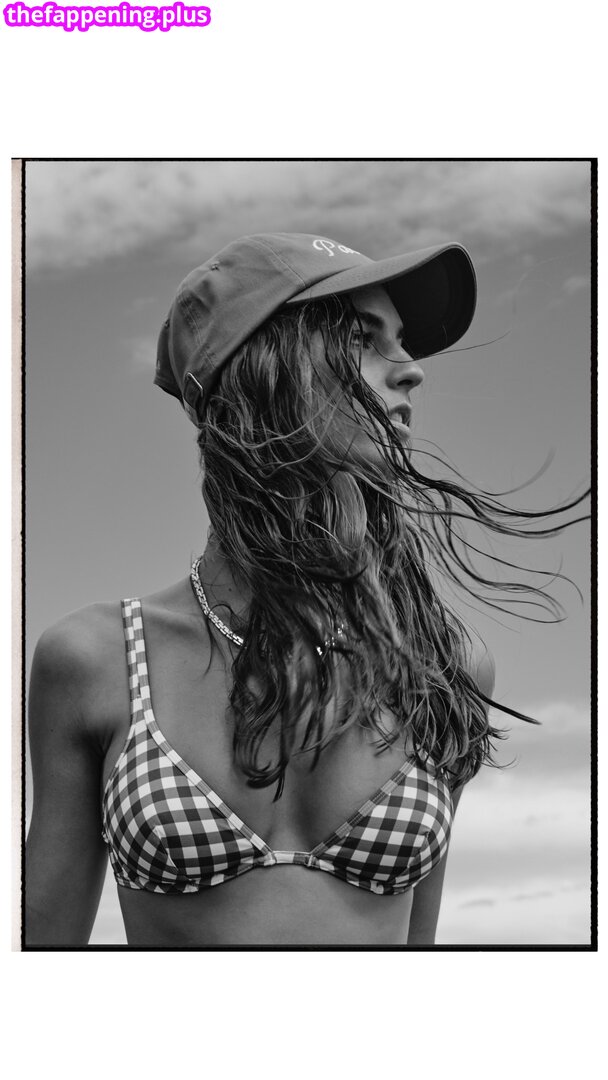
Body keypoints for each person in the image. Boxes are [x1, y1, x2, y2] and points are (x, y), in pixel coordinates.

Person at [25, 232, 585, 947]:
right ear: (262, 370)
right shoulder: (95, 662)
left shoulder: (444, 664)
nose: (411, 370)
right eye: (362, 338)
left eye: (401, 340)